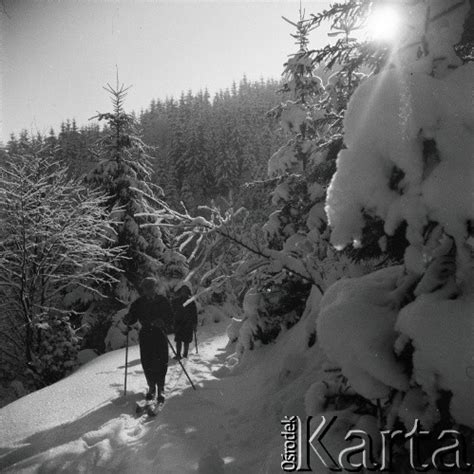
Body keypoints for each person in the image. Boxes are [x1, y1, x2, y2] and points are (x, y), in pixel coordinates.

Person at [123, 277, 172, 403]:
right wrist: (128, 319)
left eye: (150, 288)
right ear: (143, 289)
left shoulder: (163, 301)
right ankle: (151, 387)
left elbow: (171, 317)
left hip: (160, 333)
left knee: (161, 360)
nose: (148, 291)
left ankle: (160, 388)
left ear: (155, 288)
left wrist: (163, 321)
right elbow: (132, 317)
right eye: (146, 288)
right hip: (145, 334)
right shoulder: (139, 303)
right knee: (147, 361)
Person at [172, 282, 198, 360]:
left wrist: (194, 323)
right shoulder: (176, 301)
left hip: (188, 323)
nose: (184, 292)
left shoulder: (191, 302)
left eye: (185, 291)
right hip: (178, 323)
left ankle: (185, 354)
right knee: (178, 340)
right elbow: (173, 311)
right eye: (183, 291)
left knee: (186, 340)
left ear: (188, 292)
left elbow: (194, 314)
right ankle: (178, 354)